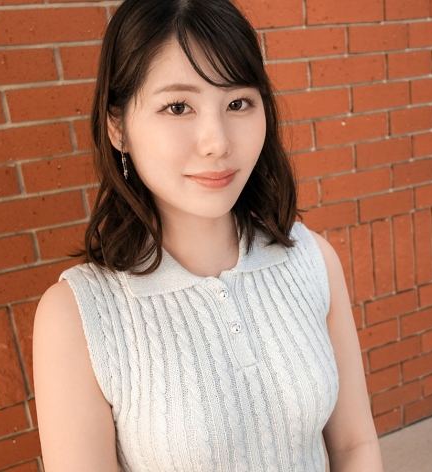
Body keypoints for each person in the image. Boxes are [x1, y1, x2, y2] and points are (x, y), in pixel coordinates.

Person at [33, 0, 383, 470]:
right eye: (178, 107)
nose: (217, 142)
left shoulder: (311, 260)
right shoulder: (77, 317)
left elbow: (354, 444)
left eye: (238, 103)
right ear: (118, 127)